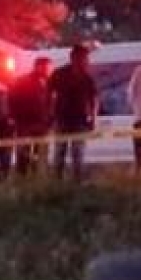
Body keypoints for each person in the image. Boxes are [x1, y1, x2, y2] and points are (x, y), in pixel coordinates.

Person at [48, 45, 99, 181]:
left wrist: (93, 119)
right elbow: (49, 94)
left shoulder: (87, 78)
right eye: (83, 58)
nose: (86, 61)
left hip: (80, 121)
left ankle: (77, 182)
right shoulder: (59, 74)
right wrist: (50, 115)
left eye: (86, 58)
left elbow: (94, 100)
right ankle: (56, 183)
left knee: (78, 153)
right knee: (59, 153)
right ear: (74, 58)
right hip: (62, 119)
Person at [9, 57, 54, 176]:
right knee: (24, 154)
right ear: (38, 67)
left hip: (43, 125)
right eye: (47, 67)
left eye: (50, 68)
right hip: (25, 124)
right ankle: (22, 179)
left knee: (40, 155)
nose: (49, 70)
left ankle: (37, 179)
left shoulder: (49, 83)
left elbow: (52, 103)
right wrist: (15, 118)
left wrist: (50, 119)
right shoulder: (23, 81)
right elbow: (12, 100)